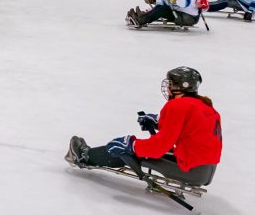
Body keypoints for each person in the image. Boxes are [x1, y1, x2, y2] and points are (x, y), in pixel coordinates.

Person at [66, 66, 222, 173]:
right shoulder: (203, 106)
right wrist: (158, 122)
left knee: (128, 148)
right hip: (204, 167)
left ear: (181, 87)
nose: (168, 88)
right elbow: (188, 131)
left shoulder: (178, 105)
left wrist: (132, 145)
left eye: (171, 84)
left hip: (189, 166)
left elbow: (159, 147)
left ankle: (85, 156)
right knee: (137, 147)